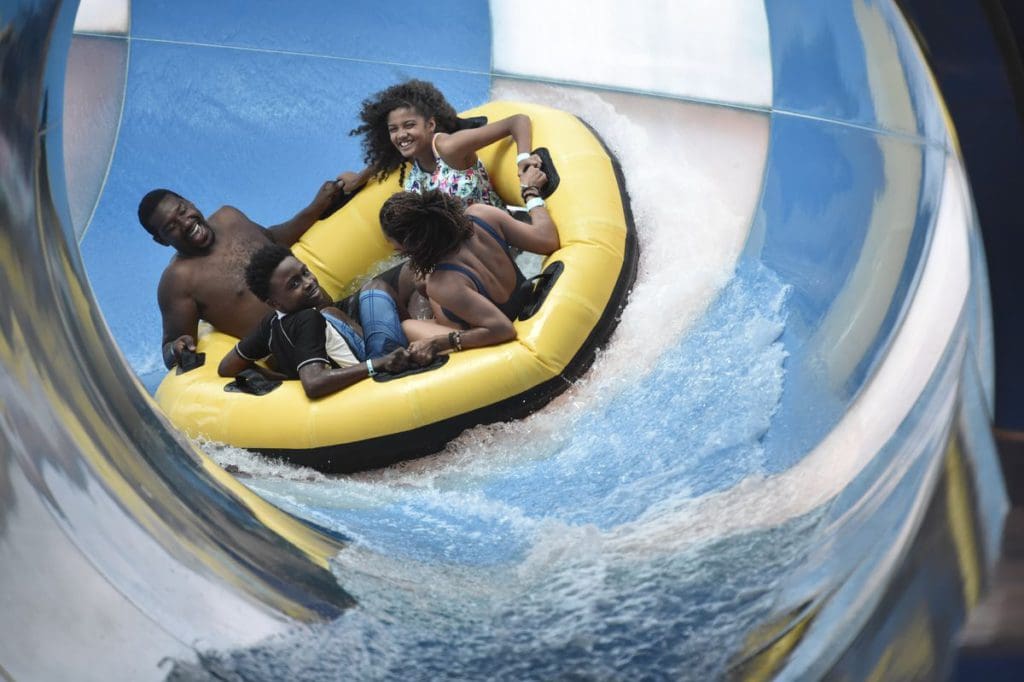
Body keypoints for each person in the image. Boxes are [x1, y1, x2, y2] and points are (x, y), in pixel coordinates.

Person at [137, 183, 343, 370]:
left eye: (182, 211)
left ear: (190, 203)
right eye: (171, 227)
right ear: (161, 240)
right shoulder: (178, 281)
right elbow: (170, 346)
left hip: (334, 317)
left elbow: (274, 240)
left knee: (373, 291)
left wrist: (316, 207)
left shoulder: (230, 218)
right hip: (302, 355)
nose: (185, 223)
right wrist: (176, 348)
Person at [378, 175, 559, 365]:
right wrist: (531, 193)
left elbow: (503, 329)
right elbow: (548, 241)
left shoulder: (442, 283)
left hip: (499, 328)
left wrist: (440, 342)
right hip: (521, 296)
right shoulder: (482, 215)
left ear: (410, 247)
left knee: (407, 325)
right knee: (422, 285)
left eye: (398, 249)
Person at [218, 243, 415, 399]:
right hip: (379, 377)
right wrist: (378, 363)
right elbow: (313, 383)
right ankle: (414, 340)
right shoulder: (308, 319)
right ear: (274, 302)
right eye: (294, 284)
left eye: (305, 272)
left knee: (331, 312)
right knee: (377, 288)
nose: (308, 282)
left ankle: (411, 332)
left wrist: (282, 380)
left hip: (357, 363)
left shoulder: (269, 324)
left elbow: (227, 366)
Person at [337, 79, 542, 208]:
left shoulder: (449, 147)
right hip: (454, 249)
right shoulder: (412, 158)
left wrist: (523, 159)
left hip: (496, 239)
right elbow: (384, 160)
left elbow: (518, 121)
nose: (401, 135)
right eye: (393, 129)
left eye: (409, 125)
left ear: (431, 124)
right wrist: (359, 178)